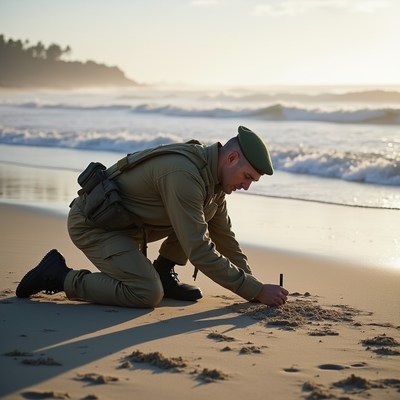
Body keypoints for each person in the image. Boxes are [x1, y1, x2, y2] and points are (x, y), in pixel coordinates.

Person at [16, 126, 289, 308]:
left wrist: (255, 286)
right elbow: (200, 250)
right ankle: (58, 275)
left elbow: (225, 237)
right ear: (230, 158)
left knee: (203, 213)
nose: (247, 186)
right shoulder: (184, 175)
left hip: (126, 227)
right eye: (247, 177)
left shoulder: (213, 181)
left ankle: (162, 271)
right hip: (94, 226)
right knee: (146, 292)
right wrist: (254, 290)